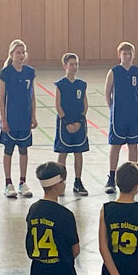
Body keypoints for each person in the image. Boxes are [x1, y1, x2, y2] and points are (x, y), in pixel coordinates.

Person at [105, 41, 138, 194]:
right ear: (119, 55)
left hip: (133, 114)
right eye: (124, 53)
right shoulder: (114, 71)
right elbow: (107, 93)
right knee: (115, 145)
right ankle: (111, 178)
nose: (127, 56)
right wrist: (113, 109)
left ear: (133, 55)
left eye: (130, 53)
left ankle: (134, 179)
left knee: (133, 145)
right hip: (118, 115)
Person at [0, 39, 37, 198]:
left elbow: (32, 95)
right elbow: (1, 98)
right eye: (18, 53)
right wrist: (4, 119)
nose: (21, 55)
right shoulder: (6, 73)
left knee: (23, 150)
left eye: (23, 52)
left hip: (25, 118)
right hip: (11, 118)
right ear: (11, 55)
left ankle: (22, 182)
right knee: (8, 150)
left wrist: (33, 116)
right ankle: (8, 183)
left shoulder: (30, 72)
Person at [54, 53, 89, 196]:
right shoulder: (60, 85)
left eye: (76, 64)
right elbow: (58, 105)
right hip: (65, 124)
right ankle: (59, 182)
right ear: (65, 66)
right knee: (63, 153)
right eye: (71, 64)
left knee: (78, 152)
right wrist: (67, 122)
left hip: (79, 123)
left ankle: (78, 181)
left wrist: (80, 121)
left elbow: (85, 105)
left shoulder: (82, 85)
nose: (74, 67)